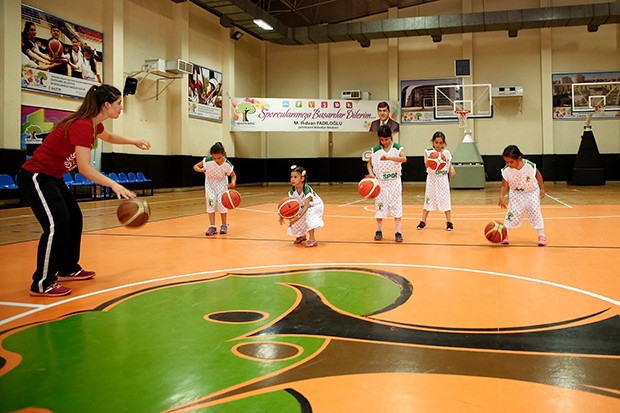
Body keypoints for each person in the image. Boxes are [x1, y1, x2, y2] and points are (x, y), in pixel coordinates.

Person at [16, 84, 151, 297]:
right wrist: (114, 184)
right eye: (118, 103)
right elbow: (85, 169)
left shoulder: (94, 125)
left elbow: (110, 138)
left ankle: (68, 268)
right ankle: (42, 283)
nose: (121, 107)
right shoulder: (82, 125)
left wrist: (134, 141)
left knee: (74, 218)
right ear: (106, 105)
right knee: (56, 225)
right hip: (37, 176)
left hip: (54, 176)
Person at [498, 145, 547, 246]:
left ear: (519, 158)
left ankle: (541, 235)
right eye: (506, 162)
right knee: (512, 213)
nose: (509, 164)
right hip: (516, 193)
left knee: (535, 211)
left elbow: (537, 174)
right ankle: (505, 234)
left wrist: (542, 188)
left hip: (531, 191)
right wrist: (501, 196)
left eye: (511, 162)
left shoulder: (529, 165)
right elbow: (504, 185)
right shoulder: (506, 170)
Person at [366, 124, 407, 242]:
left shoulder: (397, 148)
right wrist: (371, 174)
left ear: (391, 136)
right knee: (380, 206)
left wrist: (389, 158)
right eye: (382, 139)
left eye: (387, 139)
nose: (384, 142)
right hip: (381, 182)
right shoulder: (375, 150)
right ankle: (378, 230)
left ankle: (398, 232)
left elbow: (404, 159)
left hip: (394, 182)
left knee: (396, 205)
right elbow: (369, 164)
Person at [193, 142, 237, 236]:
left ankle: (224, 225)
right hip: (210, 183)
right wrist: (200, 170)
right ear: (211, 155)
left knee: (222, 203)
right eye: (214, 158)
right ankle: (212, 226)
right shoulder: (207, 160)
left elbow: (233, 175)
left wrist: (233, 182)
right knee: (211, 202)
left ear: (223, 154)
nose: (216, 160)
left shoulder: (227, 164)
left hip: (222, 183)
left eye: (219, 158)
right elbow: (195, 166)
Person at [417, 131, 457, 231]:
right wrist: (432, 160)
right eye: (436, 142)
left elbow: (449, 163)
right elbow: (426, 165)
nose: (438, 145)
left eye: (440, 143)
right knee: (428, 199)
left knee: (445, 199)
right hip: (432, 178)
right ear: (432, 142)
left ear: (443, 143)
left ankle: (449, 222)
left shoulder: (446, 153)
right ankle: (423, 221)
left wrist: (452, 169)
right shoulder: (428, 152)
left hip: (443, 178)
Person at [279, 165, 324, 247]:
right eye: (291, 177)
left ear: (302, 179)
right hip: (304, 206)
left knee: (309, 216)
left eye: (295, 177)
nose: (292, 179)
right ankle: (301, 236)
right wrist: (281, 215)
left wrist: (298, 217)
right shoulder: (292, 191)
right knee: (293, 218)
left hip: (315, 206)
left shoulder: (307, 190)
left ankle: (312, 239)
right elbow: (289, 204)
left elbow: (307, 206)